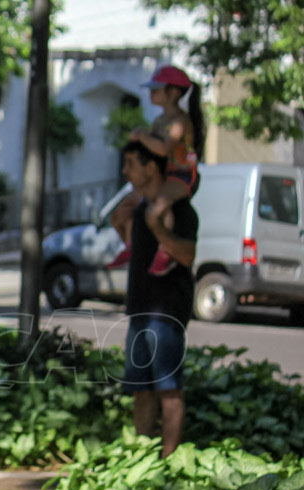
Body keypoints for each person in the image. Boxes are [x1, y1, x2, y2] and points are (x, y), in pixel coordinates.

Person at [111, 140, 198, 457]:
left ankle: (168, 459)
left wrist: (158, 228)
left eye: (131, 163)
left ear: (151, 167)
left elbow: (186, 256)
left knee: (168, 388)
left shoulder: (180, 210)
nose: (125, 171)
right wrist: (122, 227)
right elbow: (138, 252)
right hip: (139, 310)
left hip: (167, 313)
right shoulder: (140, 207)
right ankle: (143, 456)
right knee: (140, 390)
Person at [109, 64, 204, 275]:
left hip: (183, 176)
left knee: (158, 208)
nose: (151, 93)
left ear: (173, 93)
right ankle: (130, 245)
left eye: (156, 89)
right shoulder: (160, 121)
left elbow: (163, 149)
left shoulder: (179, 122)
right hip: (165, 174)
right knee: (120, 213)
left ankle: (165, 252)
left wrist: (142, 136)